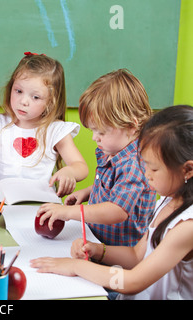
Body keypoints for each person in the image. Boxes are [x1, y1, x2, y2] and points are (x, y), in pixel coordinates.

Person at [31, 105, 193, 300]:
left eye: (153, 169)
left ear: (187, 170)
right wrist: (98, 250)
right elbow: (136, 256)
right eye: (145, 165)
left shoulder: (187, 227)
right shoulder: (169, 200)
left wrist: (76, 266)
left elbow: (132, 282)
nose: (146, 175)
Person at [36, 69, 157, 246]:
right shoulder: (113, 150)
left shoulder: (134, 164)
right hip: (97, 240)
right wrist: (87, 192)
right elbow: (113, 187)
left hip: (120, 253)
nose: (94, 138)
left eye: (100, 132)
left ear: (131, 126)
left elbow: (116, 210)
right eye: (92, 130)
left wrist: (69, 212)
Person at [0, 52, 88, 198]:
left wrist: (70, 171)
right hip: (1, 202)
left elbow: (81, 167)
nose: (23, 101)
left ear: (51, 102)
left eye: (35, 97)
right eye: (18, 91)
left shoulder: (55, 130)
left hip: (40, 204)